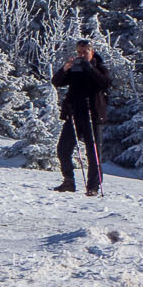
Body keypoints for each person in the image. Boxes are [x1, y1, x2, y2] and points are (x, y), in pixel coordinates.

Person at [52, 39, 113, 197]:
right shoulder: (75, 69)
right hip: (74, 114)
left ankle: (93, 186)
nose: (81, 55)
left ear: (92, 52)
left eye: (84, 52)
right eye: (79, 52)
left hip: (93, 115)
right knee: (63, 149)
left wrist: (89, 68)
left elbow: (104, 83)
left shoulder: (99, 67)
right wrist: (65, 69)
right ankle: (68, 181)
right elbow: (56, 82)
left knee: (93, 152)